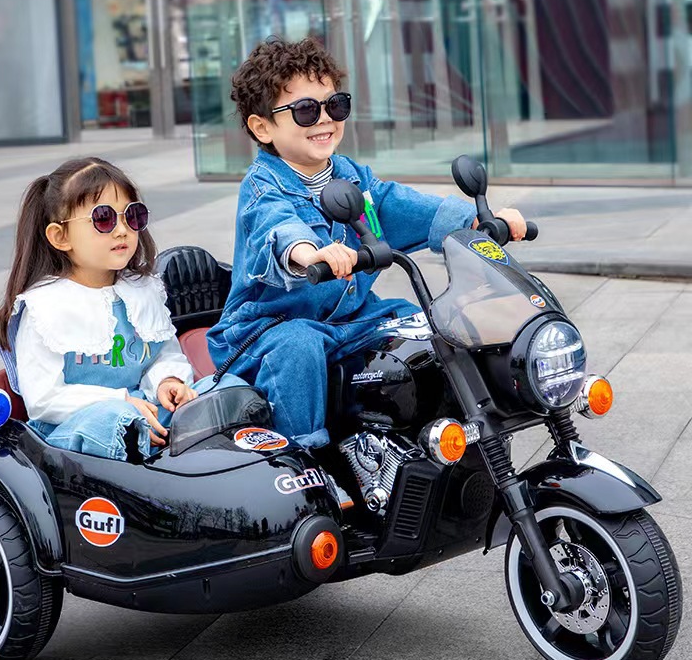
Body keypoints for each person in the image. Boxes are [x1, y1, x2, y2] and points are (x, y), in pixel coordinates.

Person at [207, 37, 528, 450]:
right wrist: (311, 253)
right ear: (262, 127)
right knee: (298, 347)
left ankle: (441, 443)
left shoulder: (352, 176)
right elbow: (277, 227)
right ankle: (304, 459)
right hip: (267, 330)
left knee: (427, 324)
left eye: (335, 105)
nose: (325, 119)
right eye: (306, 110)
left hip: (353, 318)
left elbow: (401, 205)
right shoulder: (262, 187)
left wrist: (479, 220)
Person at [0, 157, 243, 462]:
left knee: (226, 387)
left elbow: (163, 354)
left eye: (132, 216)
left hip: (145, 408)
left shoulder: (142, 289)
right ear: (60, 237)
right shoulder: (45, 307)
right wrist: (122, 400)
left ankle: (194, 452)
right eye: (103, 219)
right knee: (115, 420)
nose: (122, 230)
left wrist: (168, 382)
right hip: (79, 425)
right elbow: (43, 399)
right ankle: (164, 452)